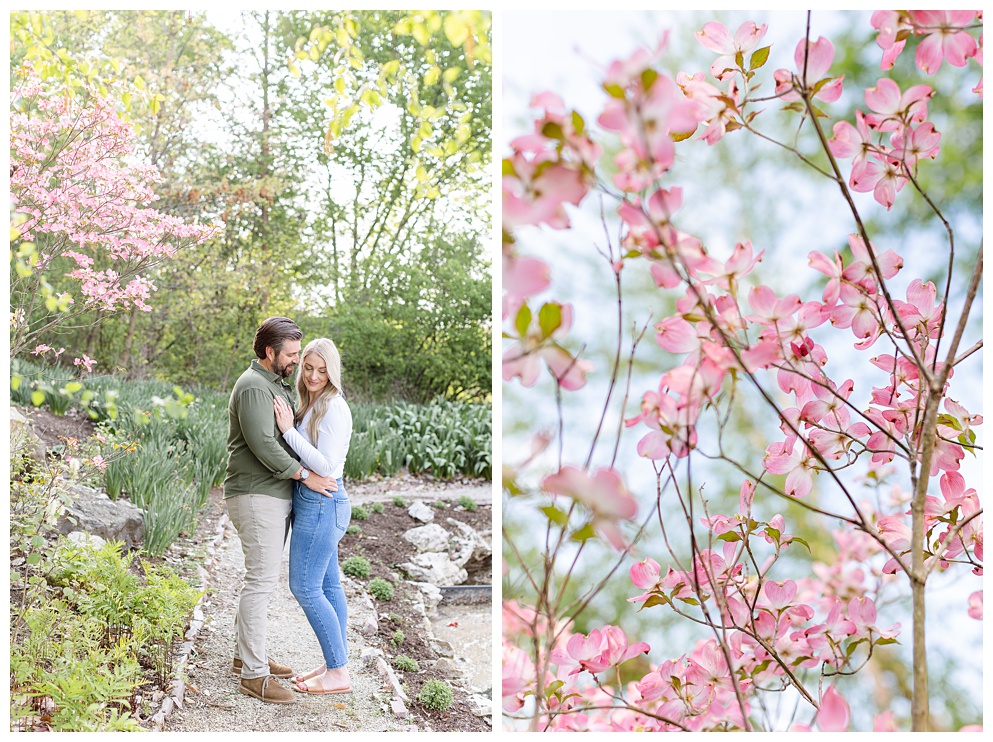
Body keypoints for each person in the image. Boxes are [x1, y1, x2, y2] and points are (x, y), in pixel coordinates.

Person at [224, 317, 338, 705]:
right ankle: (254, 676)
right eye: (291, 355)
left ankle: (245, 658)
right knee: (260, 581)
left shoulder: (272, 384)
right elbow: (263, 445)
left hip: (270, 495)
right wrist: (306, 475)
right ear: (270, 352)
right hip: (257, 496)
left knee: (260, 580)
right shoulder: (255, 386)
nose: (295, 362)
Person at [272, 337, 354, 695]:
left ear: (332, 371)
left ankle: (338, 672)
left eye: (322, 370)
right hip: (316, 502)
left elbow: (327, 466)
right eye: (308, 367)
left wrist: (288, 431)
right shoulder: (314, 403)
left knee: (304, 586)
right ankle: (334, 664)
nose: (313, 375)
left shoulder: (334, 406)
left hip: (324, 503)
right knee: (327, 585)